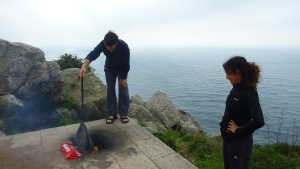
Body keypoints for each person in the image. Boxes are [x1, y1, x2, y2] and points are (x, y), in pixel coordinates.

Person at [220, 56, 265, 169]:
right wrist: (229, 116)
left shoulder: (250, 94)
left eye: (229, 73)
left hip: (240, 142)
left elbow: (259, 120)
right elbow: (238, 107)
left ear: (238, 72)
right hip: (229, 140)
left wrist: (238, 130)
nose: (227, 77)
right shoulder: (236, 88)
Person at [79, 31, 130, 124]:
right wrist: (84, 66)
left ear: (116, 43)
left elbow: (126, 64)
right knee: (110, 89)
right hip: (109, 68)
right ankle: (112, 114)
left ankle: (124, 114)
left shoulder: (124, 46)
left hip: (121, 69)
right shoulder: (104, 44)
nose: (107, 48)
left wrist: (122, 78)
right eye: (106, 46)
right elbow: (93, 54)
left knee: (123, 88)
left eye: (110, 47)